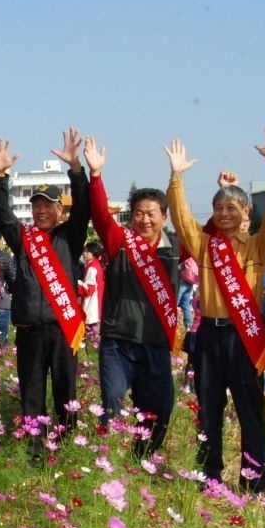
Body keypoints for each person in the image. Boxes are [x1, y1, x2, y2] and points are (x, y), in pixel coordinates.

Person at [165, 123, 265, 493]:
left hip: (243, 337)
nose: (224, 213)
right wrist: (176, 177)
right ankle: (209, 474)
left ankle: (253, 478)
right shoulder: (205, 244)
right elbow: (180, 219)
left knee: (250, 409)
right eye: (218, 207)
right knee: (208, 409)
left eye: (232, 207)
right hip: (208, 335)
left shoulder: (258, 245)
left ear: (245, 212)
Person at [0, 131, 91, 440]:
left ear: (60, 210)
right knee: (31, 395)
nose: (42, 210)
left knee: (66, 394)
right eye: (37, 205)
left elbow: (85, 206)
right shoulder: (23, 240)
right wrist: (0, 176)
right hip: (30, 331)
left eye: (48, 205)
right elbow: (2, 215)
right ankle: (34, 447)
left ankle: (67, 445)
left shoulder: (69, 238)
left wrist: (76, 167)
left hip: (62, 330)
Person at [84, 136, 180, 459]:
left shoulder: (173, 253)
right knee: (111, 400)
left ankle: (140, 460)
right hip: (118, 341)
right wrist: (95, 176)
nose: (145, 220)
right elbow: (100, 217)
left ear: (164, 218)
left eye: (152, 214)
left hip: (154, 344)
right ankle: (105, 458)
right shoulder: (119, 244)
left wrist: (176, 179)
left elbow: (196, 228)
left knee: (160, 408)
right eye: (139, 213)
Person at [77, 241, 104, 349]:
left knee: (87, 326)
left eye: (87, 251)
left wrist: (76, 282)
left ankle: (85, 347)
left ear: (94, 253)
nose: (84, 253)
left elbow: (88, 289)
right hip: (95, 302)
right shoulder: (96, 265)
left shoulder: (92, 268)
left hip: (90, 303)